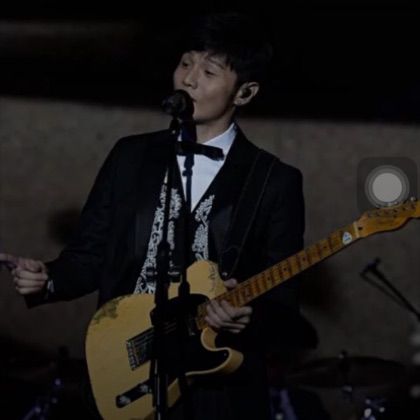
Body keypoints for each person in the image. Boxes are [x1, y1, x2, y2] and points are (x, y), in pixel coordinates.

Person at [0, 12, 305, 420]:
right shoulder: (130, 156)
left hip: (216, 388)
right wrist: (48, 278)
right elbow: (92, 254)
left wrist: (247, 318)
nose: (189, 79)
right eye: (185, 63)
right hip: (128, 371)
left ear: (245, 93)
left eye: (209, 72)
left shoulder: (273, 181)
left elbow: (285, 305)